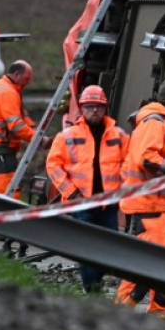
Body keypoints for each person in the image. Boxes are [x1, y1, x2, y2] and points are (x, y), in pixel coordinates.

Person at [114, 76, 165, 318]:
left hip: (164, 207)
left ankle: (159, 318)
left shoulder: (163, 123)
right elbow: (147, 161)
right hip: (150, 207)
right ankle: (119, 313)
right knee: (143, 267)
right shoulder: (154, 123)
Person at [46, 84, 129, 294]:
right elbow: (53, 166)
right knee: (85, 248)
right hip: (80, 203)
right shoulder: (67, 135)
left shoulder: (119, 136)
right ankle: (91, 289)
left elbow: (128, 165)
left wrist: (122, 192)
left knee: (110, 247)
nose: (94, 110)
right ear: (82, 108)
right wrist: (72, 192)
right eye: (90, 106)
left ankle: (95, 283)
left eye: (98, 107)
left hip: (108, 204)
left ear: (105, 108)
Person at [0, 60, 52, 198]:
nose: (28, 82)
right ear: (17, 74)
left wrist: (35, 129)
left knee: (1, 189)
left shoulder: (7, 88)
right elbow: (16, 125)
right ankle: (10, 218)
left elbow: (22, 116)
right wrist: (40, 140)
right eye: (27, 78)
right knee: (7, 192)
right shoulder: (8, 92)